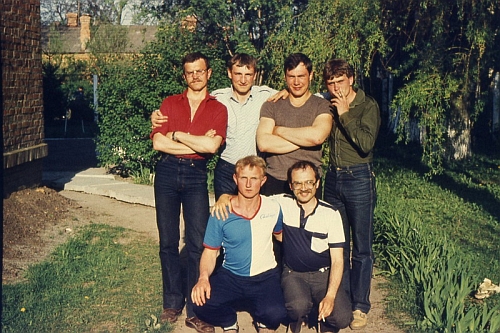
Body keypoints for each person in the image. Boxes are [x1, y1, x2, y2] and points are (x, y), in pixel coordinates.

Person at [213, 160, 352, 333]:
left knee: (342, 317)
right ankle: (297, 320)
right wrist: (226, 197)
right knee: (296, 307)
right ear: (290, 186)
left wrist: (330, 296)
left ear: (317, 183)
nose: (304, 188)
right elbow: (250, 195)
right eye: (298, 183)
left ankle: (324, 319)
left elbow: (338, 260)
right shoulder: (280, 203)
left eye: (309, 182)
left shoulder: (331, 214)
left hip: (323, 274)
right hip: (294, 274)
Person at [150, 52, 228, 333]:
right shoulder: (169, 103)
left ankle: (196, 310)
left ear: (208, 74)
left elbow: (212, 148)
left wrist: (178, 135)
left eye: (200, 71)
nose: (195, 76)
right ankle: (172, 301)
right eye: (190, 72)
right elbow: (159, 143)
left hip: (196, 176)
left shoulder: (218, 108)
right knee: (168, 241)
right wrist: (197, 143)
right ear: (185, 76)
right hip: (167, 173)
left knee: (198, 242)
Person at [151, 53, 278, 199]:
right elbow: (194, 101)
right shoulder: (218, 98)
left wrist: (287, 91)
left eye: (248, 74)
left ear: (254, 75)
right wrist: (155, 114)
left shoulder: (265, 95)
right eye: (238, 74)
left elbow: (295, 92)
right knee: (224, 216)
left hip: (254, 168)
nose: (243, 80)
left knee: (252, 217)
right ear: (229, 73)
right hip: (226, 169)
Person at [191, 155, 287, 333]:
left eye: (254, 178)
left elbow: (281, 237)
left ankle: (262, 319)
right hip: (231, 276)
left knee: (276, 314)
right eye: (244, 178)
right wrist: (203, 278)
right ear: (236, 179)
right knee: (200, 303)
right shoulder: (221, 211)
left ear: (263, 180)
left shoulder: (274, 207)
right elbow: (211, 252)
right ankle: (229, 321)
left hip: (265, 276)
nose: (249, 184)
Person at [321, 58, 381, 330]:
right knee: (337, 244)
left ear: (351, 79)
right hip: (332, 179)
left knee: (362, 247)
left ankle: (360, 306)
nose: (335, 87)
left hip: (359, 177)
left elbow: (366, 144)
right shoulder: (326, 101)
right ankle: (341, 300)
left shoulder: (366, 106)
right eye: (331, 82)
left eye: (340, 81)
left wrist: (344, 112)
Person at [256, 53, 332, 196]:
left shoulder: (322, 105)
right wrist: (306, 139)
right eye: (291, 77)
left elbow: (317, 137)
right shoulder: (271, 105)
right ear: (285, 77)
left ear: (311, 75)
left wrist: (278, 130)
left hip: (308, 182)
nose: (296, 82)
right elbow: (264, 143)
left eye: (301, 76)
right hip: (276, 179)